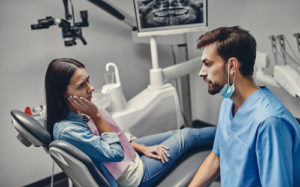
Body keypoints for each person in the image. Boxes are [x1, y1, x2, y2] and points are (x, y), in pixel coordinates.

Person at [45, 58, 216, 187]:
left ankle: (233, 131)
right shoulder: (70, 130)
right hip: (133, 177)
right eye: (82, 85)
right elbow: (115, 152)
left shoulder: (77, 113)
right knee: (187, 135)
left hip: (128, 159)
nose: (91, 88)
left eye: (88, 80)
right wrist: (96, 115)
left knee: (179, 134)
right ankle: (237, 130)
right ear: (63, 95)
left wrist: (142, 148)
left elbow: (114, 138)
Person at [188, 26, 300, 187]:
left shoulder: (269, 122)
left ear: (232, 66)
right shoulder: (228, 102)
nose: (202, 72)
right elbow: (216, 157)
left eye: (208, 64)